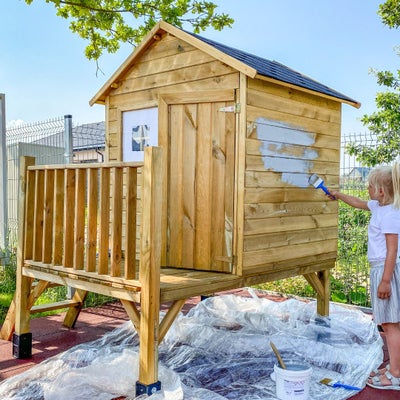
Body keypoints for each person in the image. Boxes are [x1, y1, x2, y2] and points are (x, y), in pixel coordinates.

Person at [327, 164, 400, 390]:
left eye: (369, 185)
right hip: (381, 269)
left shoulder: (389, 214)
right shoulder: (380, 206)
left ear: (380, 191)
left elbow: (392, 250)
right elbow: (359, 203)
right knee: (390, 323)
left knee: (390, 325)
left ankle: (396, 375)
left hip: (385, 269)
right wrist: (338, 195)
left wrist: (385, 280)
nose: (366, 189)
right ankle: (395, 368)